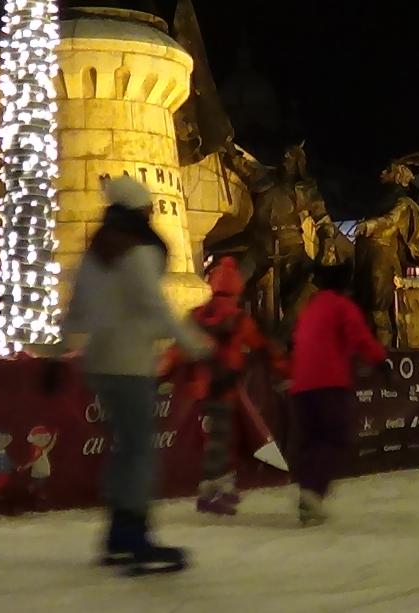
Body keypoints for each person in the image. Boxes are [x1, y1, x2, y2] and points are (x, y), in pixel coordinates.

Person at [61, 176, 211, 574]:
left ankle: (117, 534)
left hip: (100, 362)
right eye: (149, 208)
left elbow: (76, 306)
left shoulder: (98, 251)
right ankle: (134, 535)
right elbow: (154, 305)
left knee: (125, 448)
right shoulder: (139, 251)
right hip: (130, 362)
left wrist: (58, 351)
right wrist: (195, 344)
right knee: (140, 451)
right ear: (140, 211)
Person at [160, 256, 289, 516]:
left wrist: (161, 376)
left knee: (216, 438)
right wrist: (284, 370)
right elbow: (262, 348)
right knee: (223, 439)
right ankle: (213, 492)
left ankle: (217, 489)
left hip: (199, 386)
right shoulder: (239, 318)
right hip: (225, 386)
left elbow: (177, 351)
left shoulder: (197, 315)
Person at [289, 259, 387, 525]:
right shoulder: (342, 307)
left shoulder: (310, 309)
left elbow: (297, 341)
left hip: (301, 386)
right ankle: (312, 493)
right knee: (334, 437)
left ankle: (307, 492)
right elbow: (360, 336)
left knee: (312, 441)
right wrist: (380, 361)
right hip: (328, 384)